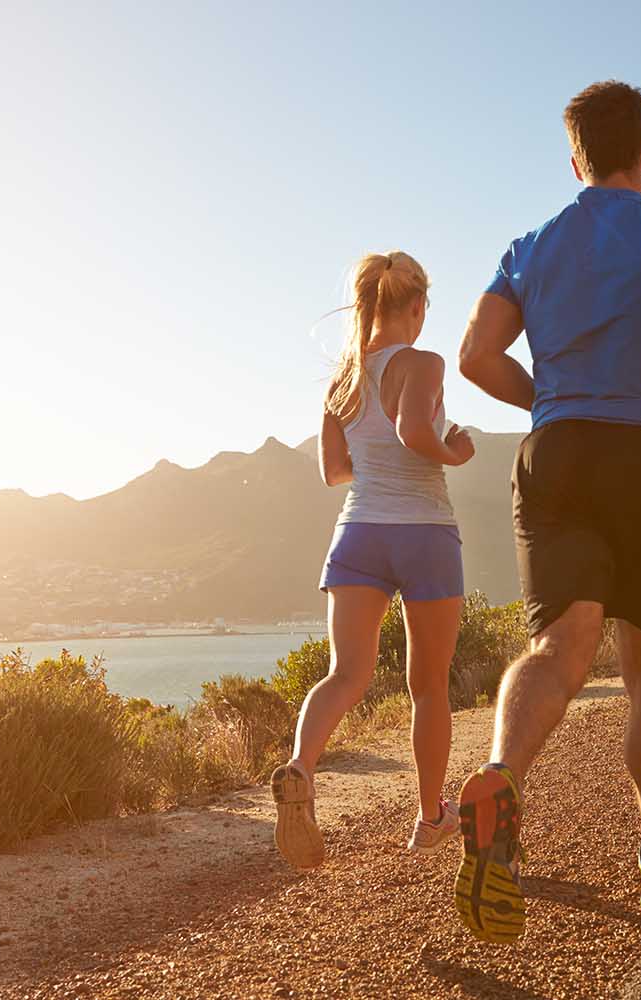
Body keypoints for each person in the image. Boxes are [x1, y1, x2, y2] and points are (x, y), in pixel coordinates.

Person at [451, 81, 641, 942]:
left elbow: (475, 355)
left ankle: (501, 777)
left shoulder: (530, 245)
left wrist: (553, 399)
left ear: (574, 157)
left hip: (561, 454)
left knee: (557, 649)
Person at [271, 251, 477, 870]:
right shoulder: (424, 362)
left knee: (346, 673)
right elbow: (415, 431)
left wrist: (381, 463)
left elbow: (335, 471)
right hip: (425, 534)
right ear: (417, 307)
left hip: (358, 532)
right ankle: (430, 816)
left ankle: (301, 766)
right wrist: (454, 450)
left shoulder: (344, 378)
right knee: (427, 687)